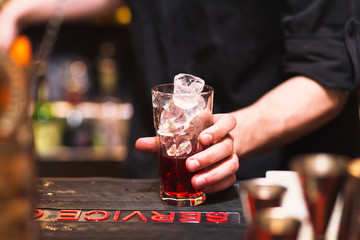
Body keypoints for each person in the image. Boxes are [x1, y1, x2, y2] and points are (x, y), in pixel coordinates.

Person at [1, 0, 359, 194]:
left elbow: (325, 77)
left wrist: (222, 140)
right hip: (151, 175)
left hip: (264, 185)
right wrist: (19, 10)